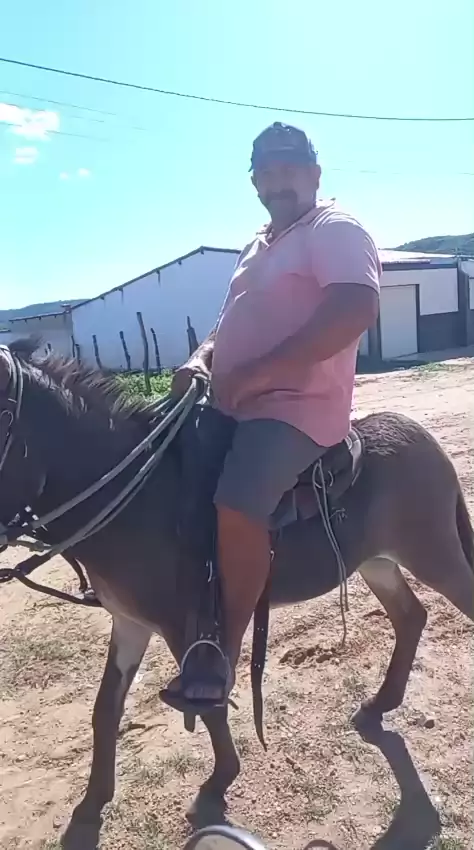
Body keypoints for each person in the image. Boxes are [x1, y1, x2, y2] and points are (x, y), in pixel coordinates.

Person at [166, 121, 381, 711]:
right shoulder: (257, 243)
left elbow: (354, 308)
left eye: (290, 168)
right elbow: (226, 323)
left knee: (237, 501)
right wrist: (202, 358)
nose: (278, 180)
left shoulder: (334, 228)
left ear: (315, 174)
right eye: (266, 171)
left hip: (297, 408)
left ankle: (223, 649)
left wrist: (260, 373)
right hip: (233, 399)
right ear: (254, 182)